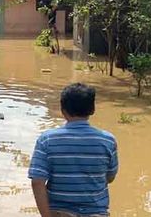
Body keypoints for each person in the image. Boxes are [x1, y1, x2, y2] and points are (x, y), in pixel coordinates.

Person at [28, 83, 118, 217]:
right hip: (96, 213)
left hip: (59, 212)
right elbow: (110, 177)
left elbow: (37, 182)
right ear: (92, 109)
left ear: (62, 109)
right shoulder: (108, 140)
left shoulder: (47, 140)